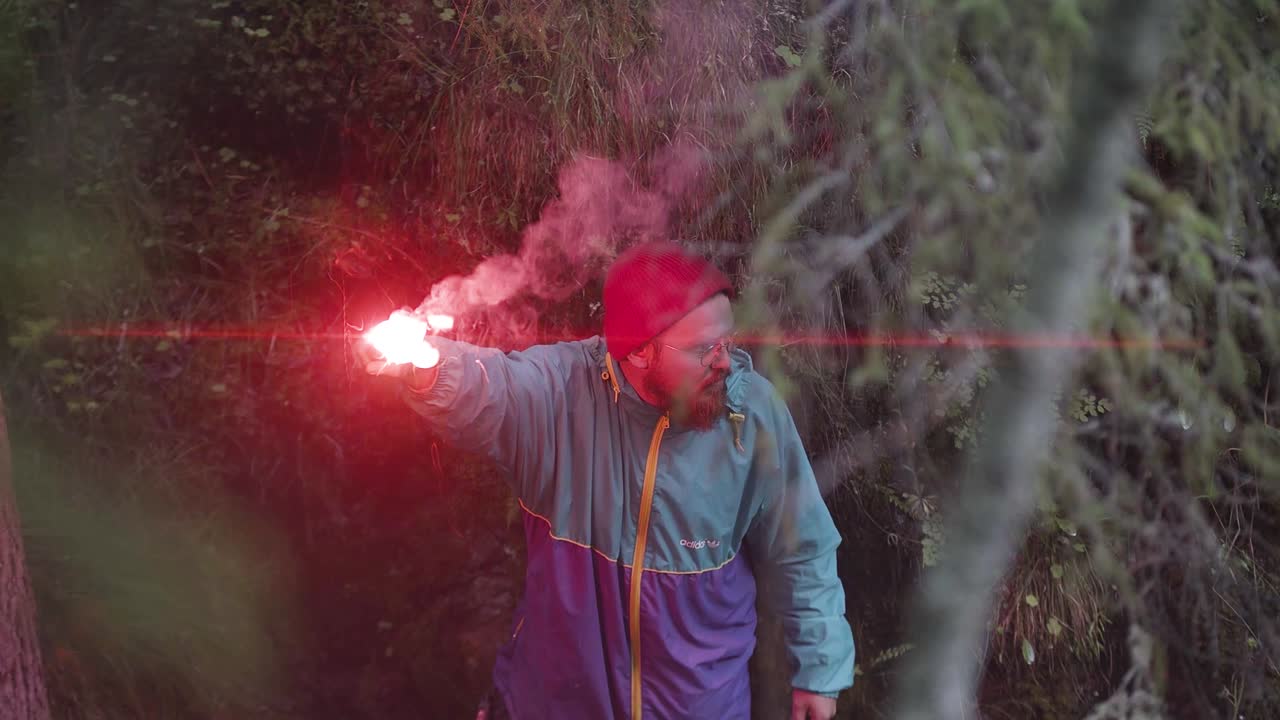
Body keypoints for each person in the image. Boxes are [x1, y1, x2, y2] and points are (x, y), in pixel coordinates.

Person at [361, 241, 855, 719]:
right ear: (639, 353)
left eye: (727, 340)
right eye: (704, 349)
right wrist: (424, 364)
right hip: (559, 701)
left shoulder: (753, 414)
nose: (724, 360)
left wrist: (818, 669)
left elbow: (801, 545)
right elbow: (490, 388)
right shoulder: (561, 394)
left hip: (702, 706)